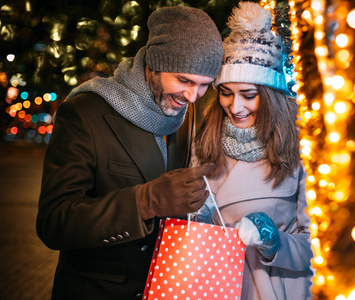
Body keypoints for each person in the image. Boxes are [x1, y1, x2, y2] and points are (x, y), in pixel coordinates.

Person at [36, 5, 223, 300]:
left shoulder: (187, 114)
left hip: (166, 287)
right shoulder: (85, 112)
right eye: (183, 80)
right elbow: (54, 222)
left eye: (203, 85)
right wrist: (147, 201)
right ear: (153, 64)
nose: (191, 96)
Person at [193, 2, 314, 299]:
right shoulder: (205, 140)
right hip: (217, 285)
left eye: (249, 95)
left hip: (276, 288)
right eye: (225, 93)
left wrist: (272, 240)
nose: (235, 107)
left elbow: (316, 245)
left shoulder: (298, 148)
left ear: (271, 95)